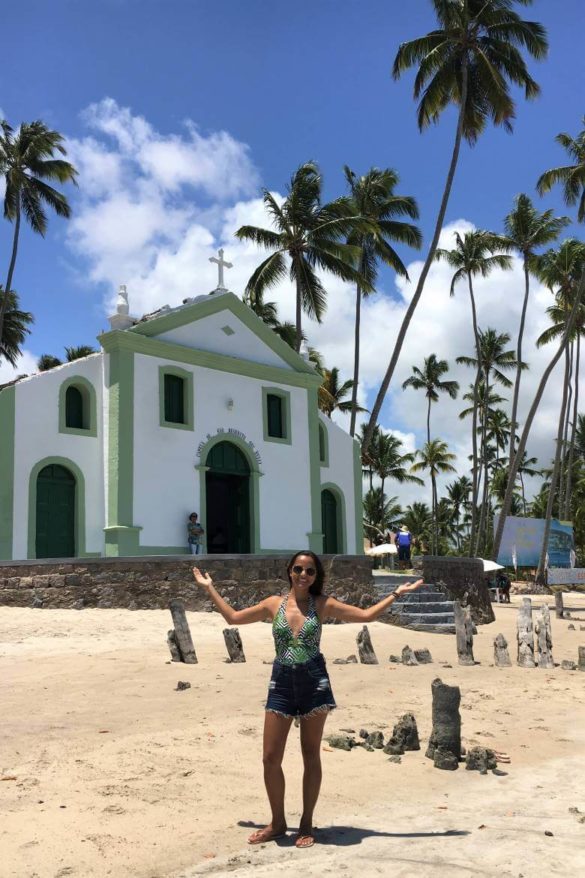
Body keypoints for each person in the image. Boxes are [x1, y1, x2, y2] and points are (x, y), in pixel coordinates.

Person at [192, 551, 423, 849]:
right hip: (282, 683)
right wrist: (209, 587)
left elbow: (365, 615)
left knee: (310, 755)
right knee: (270, 758)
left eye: (310, 571)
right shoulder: (272, 605)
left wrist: (396, 592)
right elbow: (233, 617)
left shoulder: (322, 604)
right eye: (299, 569)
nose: (304, 575)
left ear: (316, 576)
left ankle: (306, 822)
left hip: (314, 680)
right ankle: (277, 822)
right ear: (289, 571)